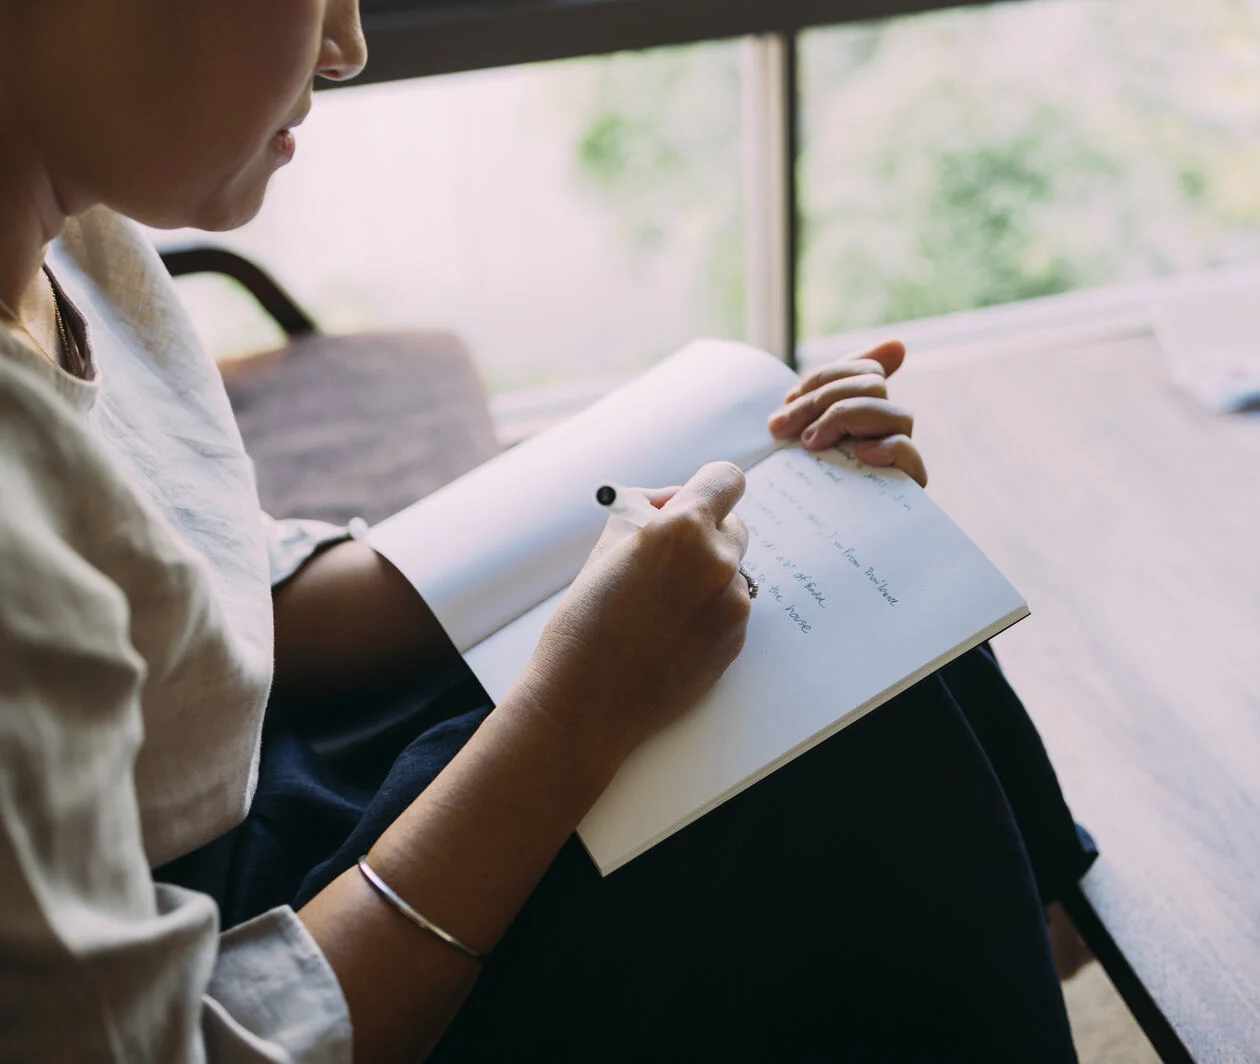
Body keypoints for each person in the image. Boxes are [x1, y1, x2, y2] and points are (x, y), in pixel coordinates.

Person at [0, 1, 1096, 1061]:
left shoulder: (78, 228)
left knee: (811, 598)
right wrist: (576, 708)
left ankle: (999, 919)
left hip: (250, 775)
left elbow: (192, 583)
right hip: (237, 945)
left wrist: (698, 500)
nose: (346, 45)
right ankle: (1000, 925)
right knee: (828, 744)